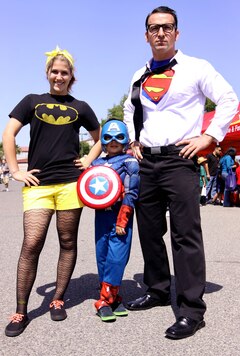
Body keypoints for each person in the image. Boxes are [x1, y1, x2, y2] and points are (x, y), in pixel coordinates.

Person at [123, 6, 239, 339]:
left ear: (177, 32)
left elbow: (228, 99)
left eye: (167, 27)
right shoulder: (138, 75)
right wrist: (133, 140)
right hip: (147, 162)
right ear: (146, 35)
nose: (160, 33)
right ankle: (158, 290)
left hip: (179, 159)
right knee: (148, 229)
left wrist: (209, 136)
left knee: (184, 235)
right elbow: (131, 110)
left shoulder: (196, 67)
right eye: (154, 28)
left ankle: (191, 310)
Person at [2, 46, 101, 337]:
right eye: (55, 72)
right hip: (39, 185)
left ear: (72, 77)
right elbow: (9, 134)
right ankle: (21, 310)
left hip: (71, 182)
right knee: (31, 244)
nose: (59, 76)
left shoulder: (80, 106)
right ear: (47, 74)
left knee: (67, 241)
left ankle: (58, 299)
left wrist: (88, 159)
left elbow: (99, 136)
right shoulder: (32, 101)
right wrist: (16, 170)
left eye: (65, 72)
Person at [90, 119, 139, 322]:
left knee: (117, 257)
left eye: (118, 137)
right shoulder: (96, 163)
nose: (113, 142)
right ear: (102, 140)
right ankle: (113, 296)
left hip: (121, 215)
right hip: (101, 215)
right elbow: (88, 187)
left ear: (125, 139)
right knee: (102, 255)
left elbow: (132, 192)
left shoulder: (130, 162)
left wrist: (123, 219)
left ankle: (103, 300)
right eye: (108, 138)